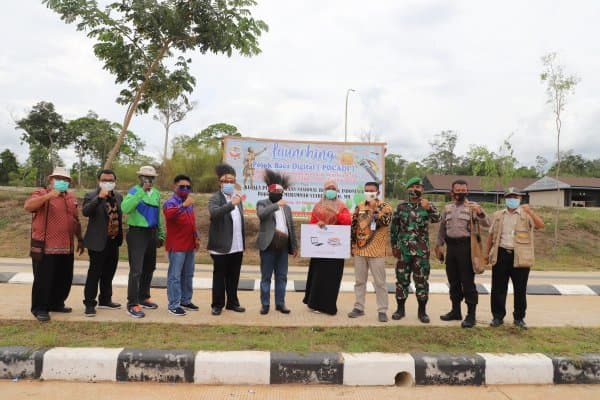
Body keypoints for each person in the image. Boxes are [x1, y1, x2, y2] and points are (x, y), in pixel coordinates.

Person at [24, 166, 84, 322]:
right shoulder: (42, 193)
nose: (62, 181)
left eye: (65, 179)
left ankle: (57, 303)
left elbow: (75, 220)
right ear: (51, 180)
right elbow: (28, 206)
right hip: (45, 246)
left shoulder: (71, 197)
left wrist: (80, 239)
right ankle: (40, 308)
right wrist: (49, 196)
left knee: (63, 278)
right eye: (58, 178)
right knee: (43, 279)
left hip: (66, 246)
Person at [486, 187, 544, 330]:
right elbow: (491, 235)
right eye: (510, 197)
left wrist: (530, 211)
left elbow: (540, 226)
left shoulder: (526, 214)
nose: (512, 199)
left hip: (520, 256)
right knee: (498, 288)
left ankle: (519, 318)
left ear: (520, 199)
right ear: (505, 199)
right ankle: (498, 317)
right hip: (501, 254)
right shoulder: (499, 215)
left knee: (520, 289)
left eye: (515, 197)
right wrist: (486, 254)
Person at [435, 179, 490, 328]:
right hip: (451, 248)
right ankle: (455, 311)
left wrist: (480, 212)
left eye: (463, 190)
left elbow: (487, 224)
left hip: (466, 248)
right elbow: (442, 229)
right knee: (453, 281)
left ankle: (471, 315)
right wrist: (438, 245)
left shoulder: (473, 207)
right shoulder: (447, 208)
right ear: (452, 192)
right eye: (457, 190)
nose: (460, 193)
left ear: (467, 191)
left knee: (467, 282)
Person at [390, 177, 440, 323]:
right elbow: (394, 228)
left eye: (419, 187)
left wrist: (429, 208)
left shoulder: (427, 206)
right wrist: (394, 246)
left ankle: (422, 312)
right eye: (413, 187)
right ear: (408, 190)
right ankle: (400, 310)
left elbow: (438, 219)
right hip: (404, 251)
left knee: (422, 282)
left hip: (421, 253)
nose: (416, 190)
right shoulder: (401, 207)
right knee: (401, 281)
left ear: (422, 190)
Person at [121, 165, 165, 318]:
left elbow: (158, 214)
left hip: (151, 233)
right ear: (140, 178)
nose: (149, 180)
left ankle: (143, 296)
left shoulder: (157, 194)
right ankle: (132, 304)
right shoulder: (134, 191)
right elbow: (125, 208)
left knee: (149, 267)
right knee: (136, 270)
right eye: (146, 177)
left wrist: (161, 233)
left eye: (151, 178)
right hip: (137, 233)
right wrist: (141, 192)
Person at [302, 180, 352, 315]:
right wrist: (317, 224)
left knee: (332, 277)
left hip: (335, 249)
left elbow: (348, 222)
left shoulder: (342, 207)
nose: (331, 190)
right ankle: (314, 303)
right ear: (324, 190)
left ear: (337, 191)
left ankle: (328, 306)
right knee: (317, 275)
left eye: (333, 188)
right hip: (320, 248)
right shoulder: (318, 206)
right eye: (328, 188)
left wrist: (336, 213)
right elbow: (312, 224)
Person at [347, 181, 392, 322]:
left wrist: (374, 210)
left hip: (376, 251)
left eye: (372, 190)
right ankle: (359, 307)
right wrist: (352, 246)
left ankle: (382, 310)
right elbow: (353, 227)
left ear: (378, 192)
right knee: (359, 281)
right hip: (360, 251)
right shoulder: (359, 207)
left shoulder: (385, 207)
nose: (369, 193)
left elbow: (385, 221)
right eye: (366, 190)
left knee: (380, 282)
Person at [82, 169, 123, 317]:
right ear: (99, 181)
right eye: (105, 180)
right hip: (97, 242)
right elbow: (85, 212)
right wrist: (99, 198)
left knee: (109, 273)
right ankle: (89, 303)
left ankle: (105, 299)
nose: (108, 183)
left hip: (113, 241)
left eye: (111, 180)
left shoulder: (118, 196)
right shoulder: (91, 195)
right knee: (94, 274)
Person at [256, 169, 298, 315]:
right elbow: (261, 215)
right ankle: (265, 304)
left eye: (281, 192)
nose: (278, 194)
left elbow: (290, 227)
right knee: (266, 276)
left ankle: (280, 303)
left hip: (283, 246)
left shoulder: (287, 208)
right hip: (268, 246)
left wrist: (295, 246)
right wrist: (276, 205)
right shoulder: (262, 203)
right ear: (269, 191)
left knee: (282, 276)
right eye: (275, 191)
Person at [207, 163, 246, 316]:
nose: (229, 183)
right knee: (219, 276)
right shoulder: (215, 198)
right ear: (220, 183)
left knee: (234, 276)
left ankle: (232, 303)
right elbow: (215, 214)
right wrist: (231, 204)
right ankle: (217, 304)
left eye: (231, 181)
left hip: (236, 245)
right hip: (221, 246)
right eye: (225, 181)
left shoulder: (237, 198)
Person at [163, 174, 200, 316]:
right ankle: (173, 304)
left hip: (189, 244)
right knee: (175, 276)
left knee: (188, 274)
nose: (185, 189)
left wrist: (196, 237)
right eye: (182, 186)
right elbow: (169, 215)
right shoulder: (171, 202)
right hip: (177, 245)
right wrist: (183, 205)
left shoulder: (189, 202)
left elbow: (191, 221)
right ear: (175, 187)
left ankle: (185, 300)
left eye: (188, 187)